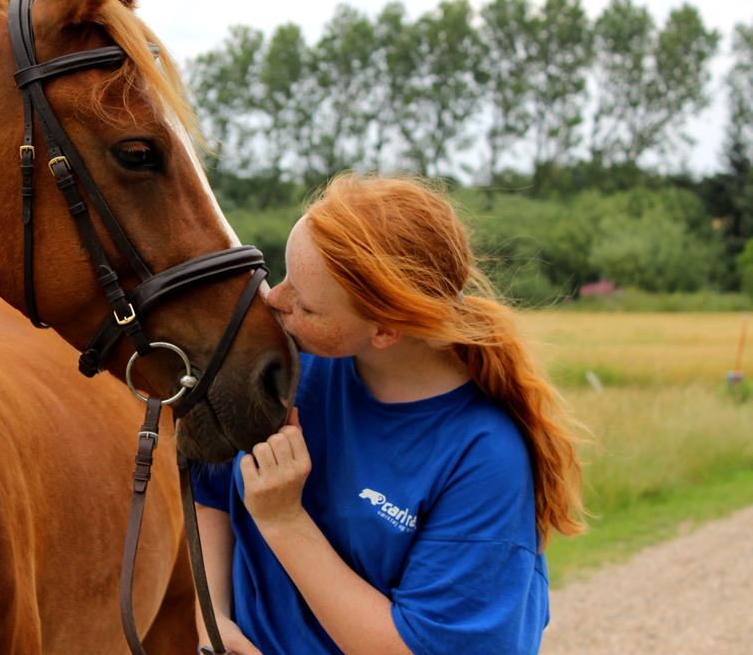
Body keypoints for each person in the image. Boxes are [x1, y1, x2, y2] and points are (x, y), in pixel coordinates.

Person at [192, 174, 586, 655]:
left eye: (308, 307)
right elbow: (209, 485)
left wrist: (284, 522)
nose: (276, 299)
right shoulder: (292, 368)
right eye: (285, 274)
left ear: (385, 331)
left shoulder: (485, 459)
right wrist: (211, 612)